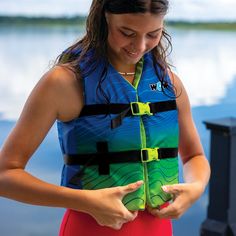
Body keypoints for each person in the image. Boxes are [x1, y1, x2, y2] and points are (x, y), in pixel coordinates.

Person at [0, 0, 210, 235]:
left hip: (159, 228)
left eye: (153, 34)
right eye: (127, 33)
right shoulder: (63, 83)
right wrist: (85, 200)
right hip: (88, 228)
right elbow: (5, 175)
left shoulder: (169, 83)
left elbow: (194, 156)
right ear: (104, 18)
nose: (139, 46)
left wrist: (196, 186)